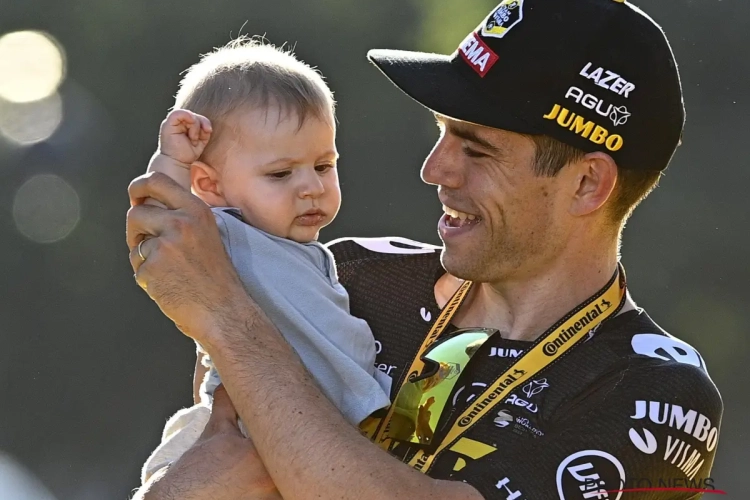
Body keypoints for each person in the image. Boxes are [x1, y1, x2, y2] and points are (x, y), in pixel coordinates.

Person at [128, 1, 723, 499]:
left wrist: (227, 315)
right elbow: (211, 454)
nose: (434, 169)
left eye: (477, 148)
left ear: (588, 184)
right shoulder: (349, 273)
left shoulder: (653, 393)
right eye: (441, 134)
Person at [136, 39, 391, 487]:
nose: (311, 186)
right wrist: (174, 159)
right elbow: (162, 219)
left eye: (324, 165)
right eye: (280, 173)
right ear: (210, 186)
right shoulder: (223, 233)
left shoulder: (310, 252)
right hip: (241, 425)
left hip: (314, 431)